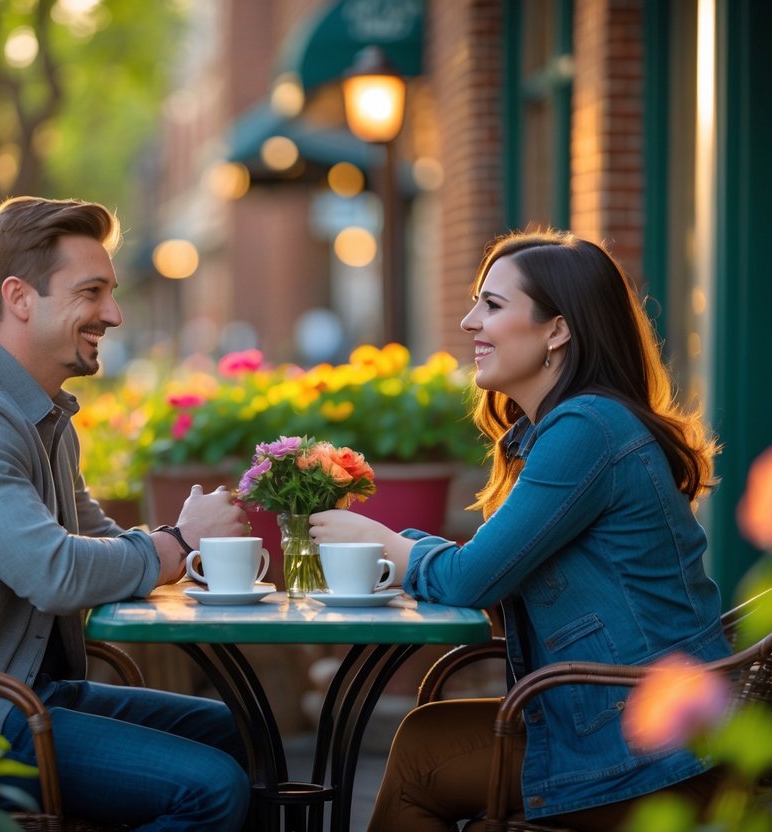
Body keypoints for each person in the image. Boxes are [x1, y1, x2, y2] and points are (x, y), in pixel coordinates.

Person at [309, 230, 730, 831]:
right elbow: (484, 567)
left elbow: (471, 581)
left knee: (422, 761)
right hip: (631, 720)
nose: (468, 321)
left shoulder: (586, 430)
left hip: (645, 743)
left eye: (493, 306)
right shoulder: (574, 428)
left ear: (557, 330)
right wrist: (411, 549)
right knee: (423, 738)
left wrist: (379, 540)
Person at [0, 196, 251, 831]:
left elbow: (100, 540)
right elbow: (56, 572)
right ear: (19, 297)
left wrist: (181, 544)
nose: (113, 315)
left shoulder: (45, 419)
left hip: (23, 694)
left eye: (112, 294)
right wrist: (176, 542)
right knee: (214, 790)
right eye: (91, 292)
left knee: (243, 732)